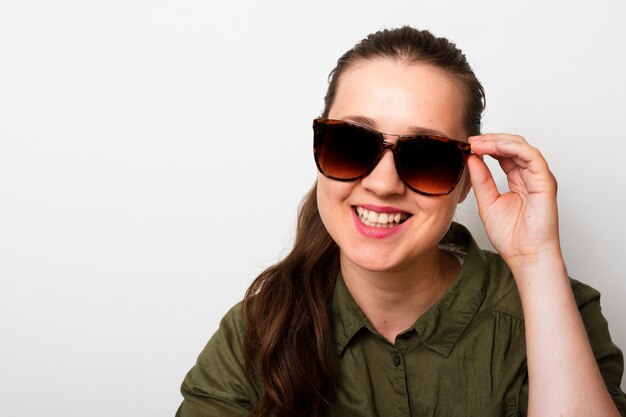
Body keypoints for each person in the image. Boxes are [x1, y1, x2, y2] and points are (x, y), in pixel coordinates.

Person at [175, 26, 626, 417]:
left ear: (465, 181)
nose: (384, 184)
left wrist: (535, 258)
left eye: (426, 156)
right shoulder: (257, 330)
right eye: (351, 144)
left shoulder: (556, 308)